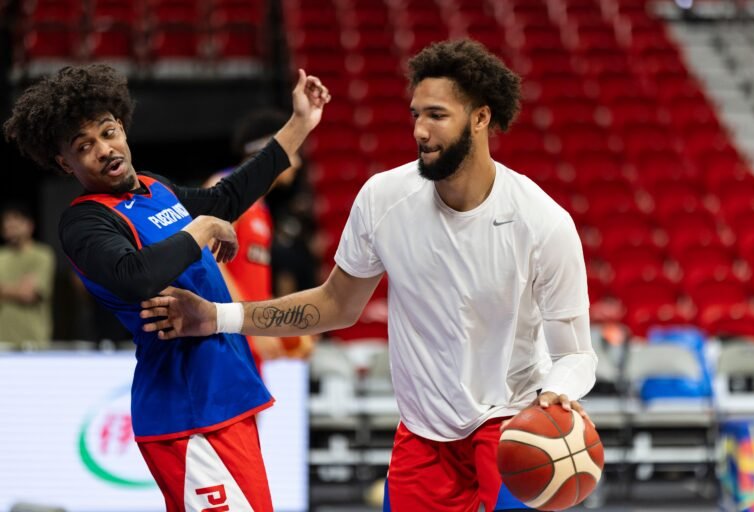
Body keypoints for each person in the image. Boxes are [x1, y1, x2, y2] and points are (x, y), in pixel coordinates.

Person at [140, 40, 597, 512]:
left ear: (480, 118)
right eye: (415, 114)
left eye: (437, 115)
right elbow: (336, 304)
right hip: (424, 433)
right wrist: (215, 317)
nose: (419, 130)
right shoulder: (384, 199)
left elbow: (577, 354)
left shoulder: (543, 221)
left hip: (510, 424)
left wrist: (555, 395)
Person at [3, 63, 329, 511]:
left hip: (226, 392)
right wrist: (202, 229)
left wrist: (299, 124)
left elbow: (228, 198)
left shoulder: (156, 189)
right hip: (187, 407)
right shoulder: (85, 220)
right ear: (65, 162)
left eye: (108, 131)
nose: (104, 149)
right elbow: (136, 275)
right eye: (84, 146)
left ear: (123, 127)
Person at [203, 109, 314, 365]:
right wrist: (253, 325)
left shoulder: (261, 208)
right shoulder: (225, 186)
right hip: (225, 342)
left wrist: (283, 326)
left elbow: (252, 285)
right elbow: (207, 260)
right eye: (294, 149)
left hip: (245, 340)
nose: (298, 162)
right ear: (270, 148)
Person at [0, 202, 55, 349]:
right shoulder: (1, 256)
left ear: (30, 225)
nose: (10, 225)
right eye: (6, 221)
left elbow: (28, 294)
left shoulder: (42, 255)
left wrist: (4, 289)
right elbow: (22, 291)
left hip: (33, 340)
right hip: (3, 341)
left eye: (16, 219)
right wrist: (17, 288)